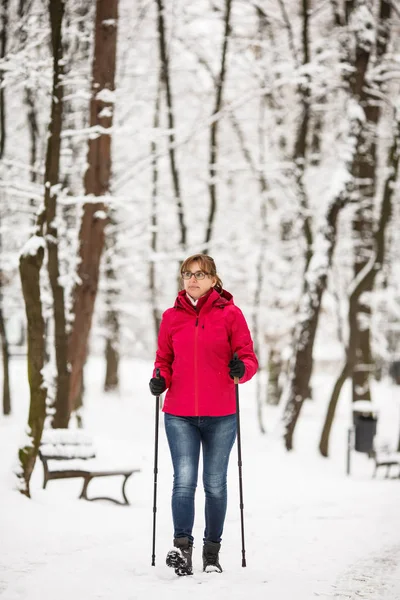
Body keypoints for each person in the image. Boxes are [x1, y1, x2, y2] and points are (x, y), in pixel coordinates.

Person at [149, 254, 258, 576]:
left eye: (200, 274)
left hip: (221, 414)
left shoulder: (231, 315)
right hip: (179, 413)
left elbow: (248, 358)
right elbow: (163, 359)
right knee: (183, 482)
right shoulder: (171, 317)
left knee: (215, 484)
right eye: (187, 274)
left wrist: (243, 369)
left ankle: (212, 553)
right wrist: (159, 379)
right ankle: (182, 552)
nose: (192, 279)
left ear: (213, 279)